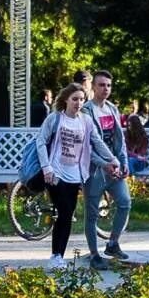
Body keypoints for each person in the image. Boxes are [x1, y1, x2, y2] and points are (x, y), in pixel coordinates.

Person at [36, 82, 120, 263]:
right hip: (55, 172)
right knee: (64, 212)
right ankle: (55, 256)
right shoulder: (55, 118)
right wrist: (46, 167)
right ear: (66, 99)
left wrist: (112, 159)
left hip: (75, 175)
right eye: (75, 99)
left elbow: (97, 142)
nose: (78, 103)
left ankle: (58, 256)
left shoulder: (86, 121)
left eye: (82, 99)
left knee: (67, 215)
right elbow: (41, 142)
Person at [81, 70, 134, 267]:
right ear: (93, 87)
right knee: (92, 213)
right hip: (95, 170)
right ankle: (94, 254)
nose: (106, 89)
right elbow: (86, 146)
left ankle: (113, 243)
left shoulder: (112, 108)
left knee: (124, 202)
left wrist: (124, 162)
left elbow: (120, 141)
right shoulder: (86, 111)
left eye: (109, 86)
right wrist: (104, 164)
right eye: (102, 85)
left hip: (115, 167)